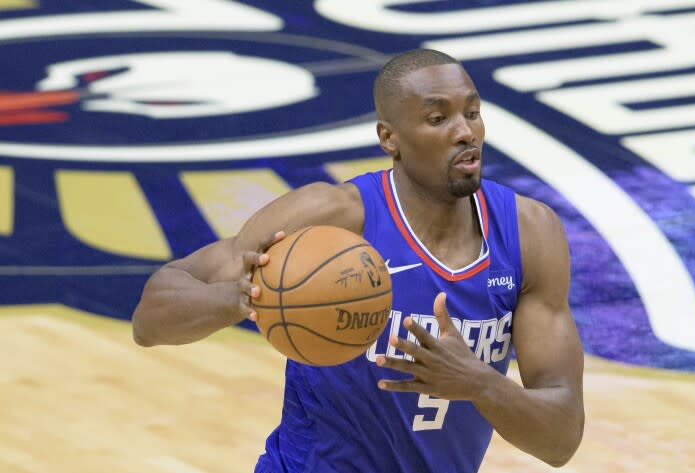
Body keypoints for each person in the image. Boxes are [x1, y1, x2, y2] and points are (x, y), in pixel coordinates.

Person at [132, 48, 585, 473]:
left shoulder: (528, 233)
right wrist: (237, 298)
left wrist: (481, 383)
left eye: (472, 112)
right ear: (390, 138)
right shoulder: (330, 218)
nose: (465, 132)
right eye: (437, 118)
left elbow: (561, 438)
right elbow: (149, 321)